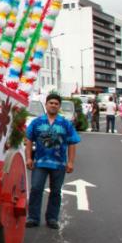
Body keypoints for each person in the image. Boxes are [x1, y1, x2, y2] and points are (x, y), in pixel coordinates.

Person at [25, 93, 80, 230]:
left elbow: (72, 142)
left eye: (56, 103)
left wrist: (71, 162)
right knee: (36, 189)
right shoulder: (37, 122)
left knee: (55, 192)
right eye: (51, 103)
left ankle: (52, 218)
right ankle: (33, 217)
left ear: (59, 106)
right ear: (46, 104)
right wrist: (28, 158)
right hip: (40, 162)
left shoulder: (65, 123)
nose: (53, 105)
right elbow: (29, 140)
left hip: (59, 163)